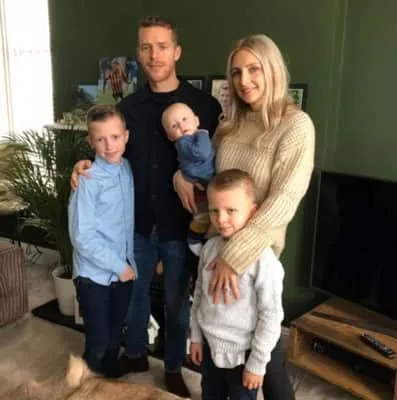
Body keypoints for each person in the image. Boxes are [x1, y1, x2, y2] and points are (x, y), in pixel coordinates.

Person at [71, 16, 221, 397]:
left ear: (177, 51)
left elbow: (218, 167)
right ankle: (136, 355)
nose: (154, 55)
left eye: (162, 46)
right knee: (134, 297)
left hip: (180, 226)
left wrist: (188, 178)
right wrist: (82, 164)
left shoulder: (204, 105)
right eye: (146, 47)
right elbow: (109, 150)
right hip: (135, 226)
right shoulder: (128, 108)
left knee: (176, 302)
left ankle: (172, 367)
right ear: (138, 53)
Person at [175, 34, 315, 400]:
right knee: (225, 351)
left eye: (254, 69)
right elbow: (209, 175)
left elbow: (284, 200)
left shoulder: (296, 126)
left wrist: (234, 256)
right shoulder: (230, 124)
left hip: (254, 255)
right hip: (214, 245)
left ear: (273, 70)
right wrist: (180, 177)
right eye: (236, 72)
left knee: (263, 353)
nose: (244, 80)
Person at [190, 169, 284, 400]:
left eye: (231, 211)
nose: (221, 219)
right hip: (210, 350)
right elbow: (199, 296)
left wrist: (258, 363)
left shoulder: (264, 260)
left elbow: (271, 315)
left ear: (252, 212)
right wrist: (196, 337)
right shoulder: (209, 249)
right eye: (214, 210)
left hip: (244, 357)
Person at [68, 105, 136, 378]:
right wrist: (119, 266)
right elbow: (81, 237)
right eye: (100, 139)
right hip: (94, 275)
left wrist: (126, 266)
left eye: (115, 137)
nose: (109, 146)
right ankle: (87, 386)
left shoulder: (126, 168)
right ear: (90, 141)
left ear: (126, 136)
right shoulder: (87, 179)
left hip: (123, 272)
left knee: (114, 334)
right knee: (98, 341)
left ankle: (107, 378)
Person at [161, 102, 215, 255]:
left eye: (185, 119)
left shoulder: (191, 139)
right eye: (174, 126)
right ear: (170, 136)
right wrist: (203, 133)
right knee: (203, 216)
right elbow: (202, 153)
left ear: (196, 120)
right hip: (199, 186)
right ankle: (194, 239)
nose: (181, 126)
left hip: (206, 183)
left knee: (210, 216)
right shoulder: (184, 142)